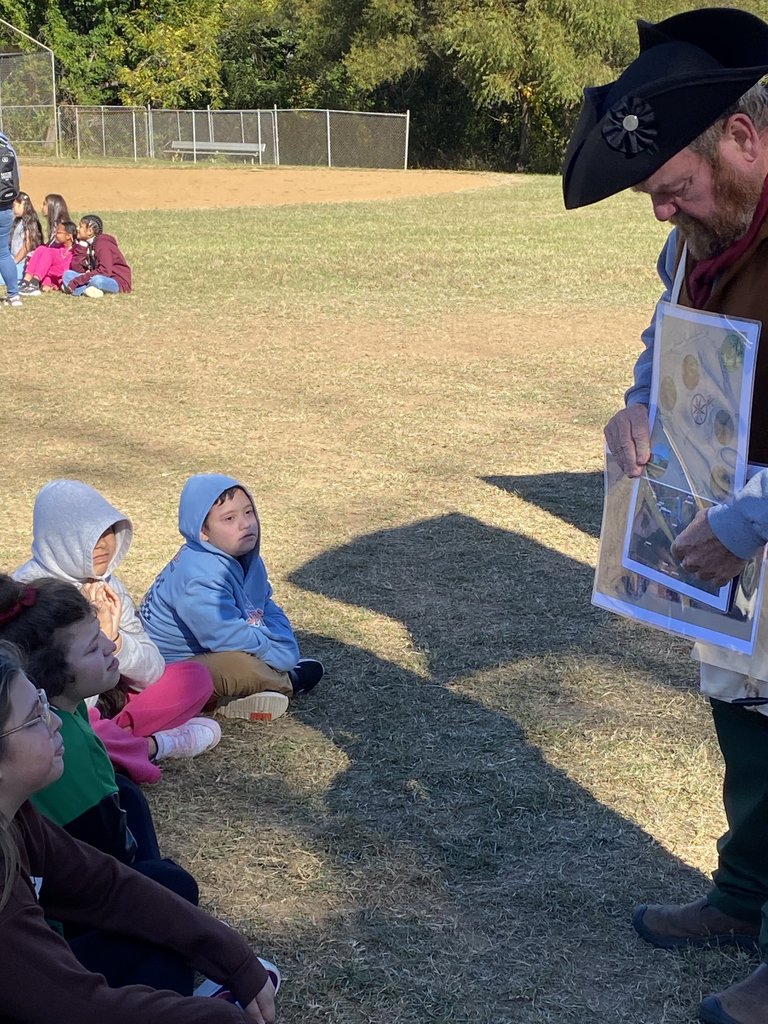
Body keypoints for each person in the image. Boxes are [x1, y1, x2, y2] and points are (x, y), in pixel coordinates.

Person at [563, 8, 768, 1024]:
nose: (663, 212)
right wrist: (640, 398)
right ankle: (742, 901)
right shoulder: (704, 232)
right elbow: (672, 334)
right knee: (746, 713)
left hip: (760, 520)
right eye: (653, 197)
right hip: (735, 532)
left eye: (672, 188)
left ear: (742, 137)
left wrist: (755, 516)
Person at [0, 642, 278, 1023]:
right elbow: (75, 1008)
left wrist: (230, 953)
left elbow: (103, 885)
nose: (56, 721)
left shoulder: (15, 817)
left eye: (45, 704)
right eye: (34, 717)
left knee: (163, 908)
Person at [14, 480, 220, 782]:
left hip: (113, 699)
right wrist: (93, 646)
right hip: (66, 712)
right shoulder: (33, 597)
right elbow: (62, 704)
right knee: (66, 731)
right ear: (57, 537)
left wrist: (116, 641)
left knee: (194, 678)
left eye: (108, 531)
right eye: (87, 535)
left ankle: (110, 740)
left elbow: (153, 672)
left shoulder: (108, 584)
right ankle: (152, 746)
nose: (102, 544)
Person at [141, 474, 324, 723]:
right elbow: (225, 636)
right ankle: (289, 680)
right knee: (237, 665)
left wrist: (281, 645)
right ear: (202, 531)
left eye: (249, 512)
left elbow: (264, 604)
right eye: (229, 518)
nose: (245, 524)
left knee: (254, 650)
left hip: (211, 650)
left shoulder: (244, 557)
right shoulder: (200, 577)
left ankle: (234, 697)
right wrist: (277, 652)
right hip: (169, 670)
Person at [62, 213, 131, 298]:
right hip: (95, 276)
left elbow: (104, 271)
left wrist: (77, 281)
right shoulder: (87, 244)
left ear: (90, 231)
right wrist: (82, 247)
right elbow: (78, 269)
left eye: (81, 226)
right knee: (67, 274)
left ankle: (81, 290)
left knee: (97, 280)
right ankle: (89, 291)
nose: (77, 228)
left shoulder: (103, 245)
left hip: (115, 280)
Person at [18, 219, 77, 294]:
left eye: (58, 233)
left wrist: (46, 269)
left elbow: (62, 271)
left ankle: (34, 282)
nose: (55, 235)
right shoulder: (58, 249)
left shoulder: (75, 251)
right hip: (49, 278)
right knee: (41, 248)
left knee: (48, 252)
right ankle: (26, 280)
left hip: (61, 280)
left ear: (68, 236)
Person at [0, 130, 21, 307]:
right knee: (3, 253)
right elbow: (16, 180)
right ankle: (14, 296)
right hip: (5, 208)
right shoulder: (8, 147)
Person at [10, 191, 42, 283]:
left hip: (21, 264)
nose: (13, 209)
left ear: (22, 204)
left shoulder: (29, 223)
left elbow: (27, 246)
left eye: (14, 206)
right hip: (13, 260)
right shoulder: (17, 221)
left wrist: (14, 262)